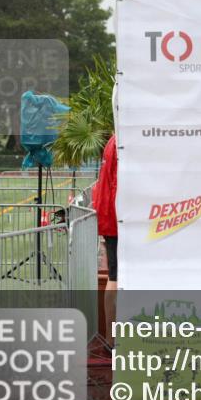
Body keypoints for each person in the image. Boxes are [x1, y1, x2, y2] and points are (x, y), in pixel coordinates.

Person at [92, 134, 118, 344]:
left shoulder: (114, 140)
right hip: (118, 220)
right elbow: (118, 185)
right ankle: (112, 338)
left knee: (114, 276)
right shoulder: (123, 142)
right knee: (116, 277)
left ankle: (111, 338)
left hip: (111, 217)